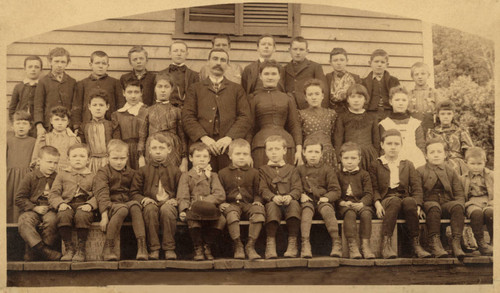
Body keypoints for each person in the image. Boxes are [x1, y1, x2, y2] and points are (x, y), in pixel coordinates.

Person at [183, 48, 252, 172]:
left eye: (223, 60)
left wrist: (229, 138)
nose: (218, 63)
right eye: (215, 59)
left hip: (228, 148)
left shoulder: (237, 89)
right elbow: (188, 117)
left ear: (227, 65)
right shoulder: (195, 89)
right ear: (208, 62)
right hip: (201, 148)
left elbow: (245, 117)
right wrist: (204, 138)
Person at [369, 129, 431, 259]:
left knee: (409, 201)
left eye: (396, 144)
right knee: (394, 201)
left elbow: (416, 187)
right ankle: (386, 245)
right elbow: (373, 188)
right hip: (386, 200)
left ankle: (416, 245)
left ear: (401, 145)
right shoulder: (376, 164)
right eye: (389, 143)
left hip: (404, 199)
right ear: (382, 145)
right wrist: (377, 204)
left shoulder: (407, 164)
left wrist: (418, 205)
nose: (393, 147)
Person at [130, 133, 182, 260]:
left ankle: (169, 248)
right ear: (149, 150)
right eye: (154, 148)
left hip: (168, 204)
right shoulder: (142, 171)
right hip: (151, 203)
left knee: (167, 210)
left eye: (161, 148)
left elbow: (182, 191)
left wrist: (176, 200)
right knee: (150, 210)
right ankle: (154, 248)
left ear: (169, 150)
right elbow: (134, 192)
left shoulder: (176, 171)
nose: (158, 152)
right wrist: (144, 199)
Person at [94, 139, 148, 261]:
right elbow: (102, 194)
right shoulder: (103, 172)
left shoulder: (132, 173)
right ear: (108, 157)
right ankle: (108, 248)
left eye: (122, 159)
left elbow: (135, 192)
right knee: (123, 209)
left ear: (127, 157)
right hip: (110, 206)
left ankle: (142, 247)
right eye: (115, 158)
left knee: (134, 206)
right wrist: (104, 216)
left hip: (127, 205)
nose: (119, 162)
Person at [247, 60, 302, 168]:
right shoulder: (254, 98)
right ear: (260, 76)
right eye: (266, 74)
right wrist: (247, 151)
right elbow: (250, 127)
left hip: (285, 145)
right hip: (261, 145)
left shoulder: (287, 98)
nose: (270, 77)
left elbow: (294, 125)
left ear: (279, 76)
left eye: (273, 74)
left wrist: (299, 150)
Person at [417, 138, 466, 259]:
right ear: (426, 156)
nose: (436, 155)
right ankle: (435, 244)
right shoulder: (420, 171)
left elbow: (459, 193)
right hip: (428, 203)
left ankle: (456, 244)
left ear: (445, 154)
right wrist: (419, 206)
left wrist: (460, 206)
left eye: (439, 152)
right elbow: (418, 192)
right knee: (433, 207)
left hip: (446, 204)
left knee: (457, 206)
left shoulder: (451, 171)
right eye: (432, 152)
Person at [177, 143, 226, 261]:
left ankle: (207, 246)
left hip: (210, 208)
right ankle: (198, 247)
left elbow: (220, 194)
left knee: (221, 220)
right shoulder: (186, 176)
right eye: (198, 156)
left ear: (209, 159)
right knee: (193, 220)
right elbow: (182, 195)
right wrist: (183, 210)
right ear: (191, 158)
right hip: (193, 208)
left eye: (205, 157)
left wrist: (204, 201)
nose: (202, 159)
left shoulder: (213, 175)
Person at [49, 143, 96, 262]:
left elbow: (99, 194)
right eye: (74, 156)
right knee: (63, 215)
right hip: (67, 204)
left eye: (82, 156)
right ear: (68, 159)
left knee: (82, 215)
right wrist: (60, 203)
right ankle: (69, 247)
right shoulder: (62, 174)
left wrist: (90, 204)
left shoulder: (94, 176)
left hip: (85, 206)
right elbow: (53, 194)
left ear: (88, 159)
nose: (78, 159)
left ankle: (81, 249)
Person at [218, 139, 264, 260]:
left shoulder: (254, 173)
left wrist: (258, 200)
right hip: (231, 204)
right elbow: (219, 192)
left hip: (248, 204)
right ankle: (237, 244)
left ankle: (250, 246)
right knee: (232, 215)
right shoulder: (222, 173)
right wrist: (221, 203)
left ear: (249, 156)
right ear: (230, 155)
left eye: (245, 154)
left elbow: (258, 190)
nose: (242, 157)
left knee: (258, 213)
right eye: (238, 154)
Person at [297, 137, 342, 258]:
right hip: (307, 202)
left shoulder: (327, 169)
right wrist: (301, 194)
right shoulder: (299, 170)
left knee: (328, 210)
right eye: (310, 152)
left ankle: (336, 242)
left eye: (316, 152)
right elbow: (296, 187)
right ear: (304, 153)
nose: (313, 155)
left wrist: (326, 198)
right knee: (306, 212)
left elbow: (336, 190)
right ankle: (305, 244)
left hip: (323, 201)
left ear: (321, 153)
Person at [16, 146, 62, 261]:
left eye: (55, 163)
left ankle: (35, 252)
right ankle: (43, 251)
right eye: (49, 162)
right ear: (39, 161)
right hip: (32, 210)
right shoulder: (30, 177)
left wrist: (53, 206)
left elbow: (62, 196)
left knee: (53, 220)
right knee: (24, 221)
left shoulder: (58, 178)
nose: (52, 166)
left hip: (51, 209)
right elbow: (19, 198)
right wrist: (34, 208)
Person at [259, 135, 302, 259]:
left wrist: (291, 196)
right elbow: (263, 189)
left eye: (277, 149)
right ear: (266, 152)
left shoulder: (292, 170)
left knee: (294, 204)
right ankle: (270, 244)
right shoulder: (263, 170)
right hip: (274, 203)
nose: (273, 152)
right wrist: (272, 197)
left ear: (284, 150)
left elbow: (297, 188)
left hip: (288, 202)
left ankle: (292, 243)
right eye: (270, 149)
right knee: (271, 206)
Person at [139, 73, 187, 171]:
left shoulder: (177, 111)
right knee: (152, 175)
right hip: (152, 147)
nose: (163, 90)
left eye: (166, 87)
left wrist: (184, 158)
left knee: (171, 175)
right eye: (160, 86)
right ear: (155, 89)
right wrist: (141, 156)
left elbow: (182, 136)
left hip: (172, 148)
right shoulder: (147, 110)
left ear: (172, 89)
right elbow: (142, 135)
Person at [336, 142, 375, 259]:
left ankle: (365, 245)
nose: (349, 161)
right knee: (350, 214)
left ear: (359, 159)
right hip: (345, 205)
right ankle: (352, 246)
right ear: (341, 159)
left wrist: (362, 203)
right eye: (346, 158)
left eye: (353, 158)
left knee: (367, 214)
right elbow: (335, 192)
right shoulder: (337, 174)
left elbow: (369, 193)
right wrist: (341, 202)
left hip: (361, 203)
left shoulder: (364, 175)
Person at [72, 51, 124, 131]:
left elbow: (121, 105)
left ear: (108, 65)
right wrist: (77, 125)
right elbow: (77, 106)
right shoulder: (82, 84)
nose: (100, 66)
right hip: (87, 125)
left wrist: (118, 124)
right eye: (97, 63)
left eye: (103, 63)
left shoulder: (115, 83)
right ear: (91, 65)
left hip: (110, 125)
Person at [334, 84, 380, 170]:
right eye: (353, 97)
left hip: (368, 155)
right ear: (347, 99)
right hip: (349, 155)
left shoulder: (371, 117)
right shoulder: (342, 117)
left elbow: (376, 140)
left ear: (365, 99)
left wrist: (376, 156)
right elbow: (338, 139)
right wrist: (339, 160)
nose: (356, 100)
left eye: (359, 97)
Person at [379, 85, 426, 168]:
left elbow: (421, 146)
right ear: (390, 102)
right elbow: (382, 149)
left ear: (408, 102)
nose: (400, 103)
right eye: (397, 100)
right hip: (392, 162)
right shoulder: (384, 124)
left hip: (415, 162)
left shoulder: (415, 123)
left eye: (404, 100)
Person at [34, 47, 77, 137]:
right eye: (56, 61)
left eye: (63, 62)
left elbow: (75, 106)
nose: (59, 65)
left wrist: (74, 126)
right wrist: (39, 125)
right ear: (50, 62)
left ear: (67, 63)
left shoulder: (72, 82)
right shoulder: (43, 81)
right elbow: (38, 106)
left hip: (67, 126)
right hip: (48, 126)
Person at [460, 147, 493, 255]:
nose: (476, 167)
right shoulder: (463, 178)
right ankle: (481, 242)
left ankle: (494, 241)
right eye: (472, 164)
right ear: (466, 163)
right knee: (476, 213)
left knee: (490, 213)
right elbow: (461, 195)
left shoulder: (492, 175)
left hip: (489, 201)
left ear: (485, 162)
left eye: (479, 164)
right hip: (472, 202)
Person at [427, 100, 474, 175]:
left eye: (449, 114)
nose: (446, 116)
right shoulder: (432, 133)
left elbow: (470, 151)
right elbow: (430, 152)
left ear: (453, 115)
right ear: (438, 115)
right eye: (442, 114)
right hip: (439, 164)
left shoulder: (461, 131)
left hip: (458, 165)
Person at [298, 78, 337, 168]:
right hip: (310, 155)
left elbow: (335, 136)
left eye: (317, 94)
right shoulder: (301, 114)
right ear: (305, 97)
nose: (314, 97)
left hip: (328, 155)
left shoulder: (331, 114)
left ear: (322, 96)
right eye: (310, 94)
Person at [31, 106, 81, 173]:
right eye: (56, 119)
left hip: (68, 173)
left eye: (63, 120)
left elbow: (77, 159)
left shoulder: (74, 139)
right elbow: (36, 159)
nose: (60, 123)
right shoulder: (44, 138)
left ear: (68, 122)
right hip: (48, 173)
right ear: (51, 121)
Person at [111, 80, 148, 170]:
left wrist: (142, 154)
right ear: (124, 93)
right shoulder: (117, 114)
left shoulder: (147, 111)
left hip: (143, 150)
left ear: (141, 93)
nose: (133, 96)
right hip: (125, 151)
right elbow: (117, 139)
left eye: (136, 92)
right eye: (129, 92)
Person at [7, 110, 37, 223]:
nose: (21, 126)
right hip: (9, 177)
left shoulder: (34, 142)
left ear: (30, 126)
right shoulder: (8, 141)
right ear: (12, 125)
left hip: (26, 177)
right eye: (18, 123)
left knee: (23, 200)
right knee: (9, 201)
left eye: (24, 123)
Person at [283, 36, 327, 110]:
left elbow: (323, 90)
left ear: (307, 51)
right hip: (290, 108)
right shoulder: (284, 69)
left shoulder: (315, 67)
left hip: (309, 108)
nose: (298, 52)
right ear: (289, 50)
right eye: (295, 49)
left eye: (301, 49)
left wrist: (322, 111)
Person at [79, 89, 113, 173]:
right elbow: (82, 146)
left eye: (101, 105)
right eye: (94, 105)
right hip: (90, 162)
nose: (98, 108)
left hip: (107, 162)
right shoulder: (84, 126)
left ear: (107, 107)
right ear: (89, 107)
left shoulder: (111, 125)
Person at [157, 41, 199, 108]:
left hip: (187, 110)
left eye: (182, 51)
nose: (179, 54)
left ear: (186, 54)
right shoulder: (161, 74)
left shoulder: (194, 76)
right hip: (166, 110)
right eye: (175, 51)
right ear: (170, 54)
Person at [362, 49, 400, 121]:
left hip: (389, 113)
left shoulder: (394, 81)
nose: (379, 64)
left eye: (382, 62)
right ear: (370, 63)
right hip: (370, 113)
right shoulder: (364, 82)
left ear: (387, 65)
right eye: (376, 62)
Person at [8, 55, 43, 136]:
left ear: (41, 70)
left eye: (36, 67)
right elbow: (12, 107)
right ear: (25, 69)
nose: (33, 69)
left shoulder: (42, 86)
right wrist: (14, 122)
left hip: (37, 124)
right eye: (30, 67)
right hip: (21, 124)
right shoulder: (19, 86)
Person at [325, 48, 361, 112]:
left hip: (349, 112)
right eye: (335, 60)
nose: (339, 63)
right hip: (331, 112)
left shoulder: (355, 78)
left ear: (347, 61)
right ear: (330, 62)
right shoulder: (327, 78)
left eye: (342, 60)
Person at [408, 62, 439, 134]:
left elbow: (440, 111)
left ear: (428, 75)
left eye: (423, 73)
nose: (420, 77)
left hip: (431, 127)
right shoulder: (409, 93)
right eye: (416, 74)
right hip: (414, 127)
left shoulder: (434, 92)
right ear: (412, 77)